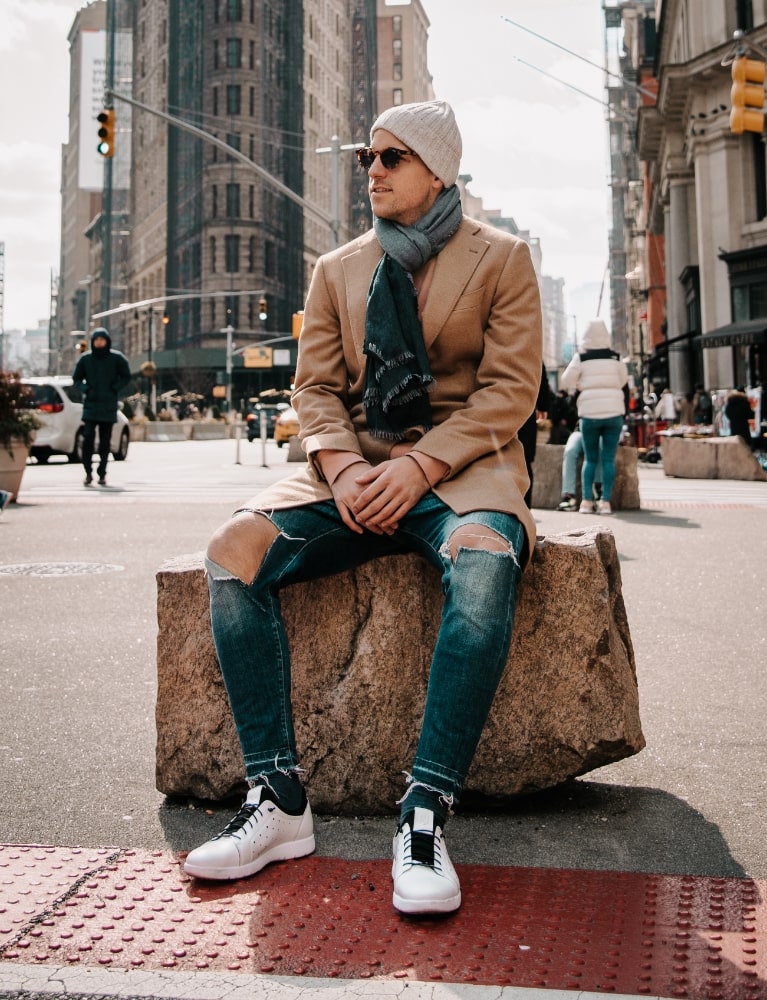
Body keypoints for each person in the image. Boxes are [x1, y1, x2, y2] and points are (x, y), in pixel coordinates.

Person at [183, 100, 543, 915]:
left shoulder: (502, 258)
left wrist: (420, 466)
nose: (372, 172)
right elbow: (314, 388)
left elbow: (509, 392)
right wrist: (343, 468)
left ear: (439, 172)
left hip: (461, 472)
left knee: (485, 563)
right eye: (366, 159)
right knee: (233, 548)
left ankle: (423, 813)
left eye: (391, 158)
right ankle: (276, 799)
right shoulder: (338, 267)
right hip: (349, 475)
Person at [560, 319, 628, 515]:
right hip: (614, 412)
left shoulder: (581, 357)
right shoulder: (616, 357)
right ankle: (605, 502)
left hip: (589, 413)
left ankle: (586, 502)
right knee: (607, 459)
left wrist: (581, 383)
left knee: (590, 459)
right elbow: (622, 380)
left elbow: (566, 381)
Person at [72, 328, 131, 486]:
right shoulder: (86, 359)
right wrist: (86, 389)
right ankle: (88, 472)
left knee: (105, 442)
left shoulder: (116, 358)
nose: (99, 342)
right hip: (91, 405)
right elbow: (76, 379)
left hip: (108, 405)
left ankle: (102, 472)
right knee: (88, 440)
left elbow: (126, 375)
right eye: (96, 339)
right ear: (93, 341)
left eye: (101, 339)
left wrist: (115, 388)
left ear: (107, 341)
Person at [517, 364, 551, 507]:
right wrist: (543, 406)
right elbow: (539, 372)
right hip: (525, 407)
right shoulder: (527, 342)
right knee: (525, 461)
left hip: (496, 406)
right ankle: (525, 509)